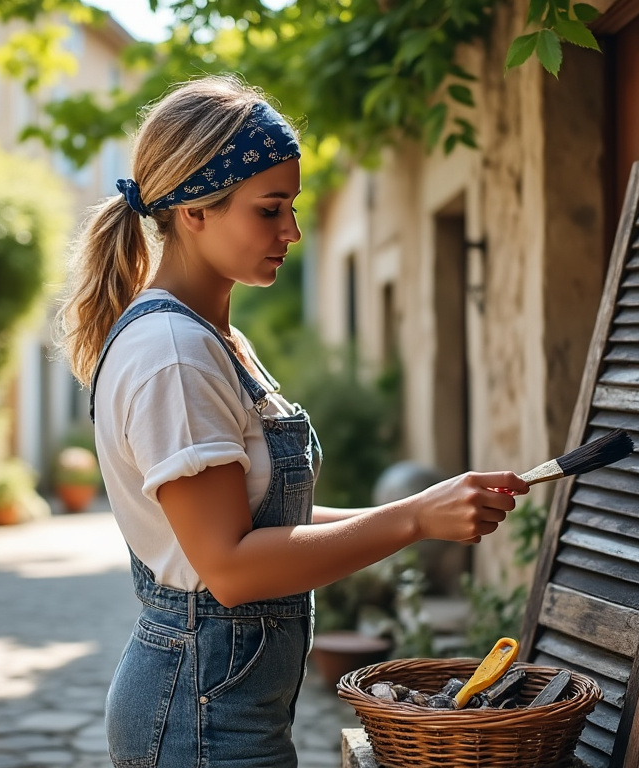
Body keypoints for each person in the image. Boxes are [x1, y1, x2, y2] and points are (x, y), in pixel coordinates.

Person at [58, 75, 531, 768]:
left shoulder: (214, 340)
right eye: (269, 208)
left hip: (226, 700)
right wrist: (413, 523)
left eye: (293, 206)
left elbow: (266, 523)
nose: (292, 231)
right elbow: (231, 568)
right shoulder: (173, 355)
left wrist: (421, 507)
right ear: (194, 210)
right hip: (201, 714)